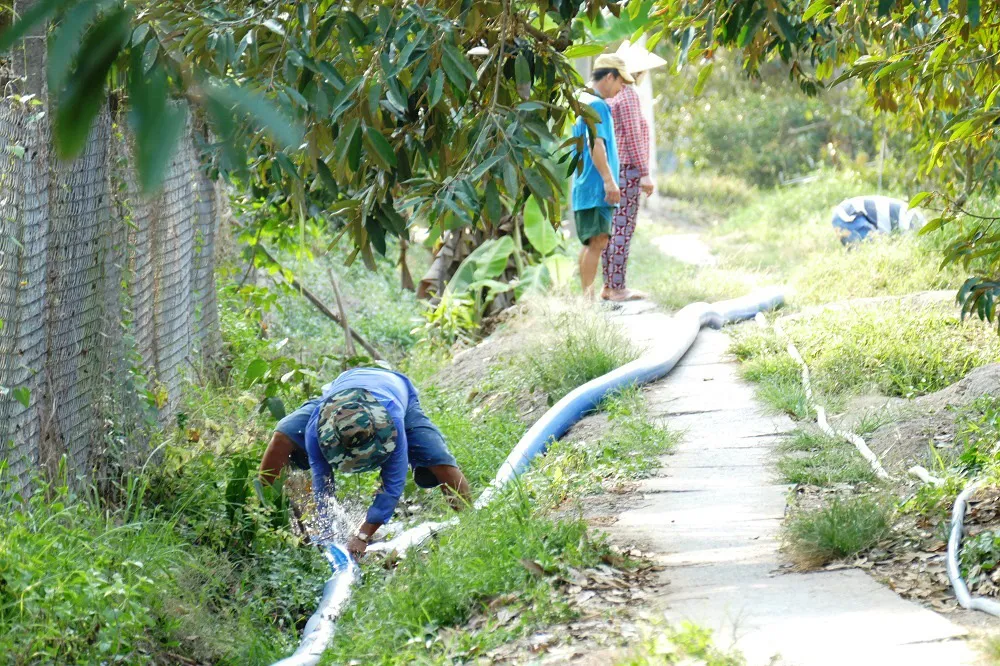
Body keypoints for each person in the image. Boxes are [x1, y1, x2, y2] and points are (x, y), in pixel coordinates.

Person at [259, 366, 471, 559]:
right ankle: (265, 517)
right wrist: (327, 531)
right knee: (283, 435)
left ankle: (472, 521)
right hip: (343, 391)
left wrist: (362, 535)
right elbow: (322, 480)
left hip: (394, 393)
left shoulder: (394, 421)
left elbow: (393, 484)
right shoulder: (317, 429)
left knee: (439, 463)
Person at [572, 54, 627, 299]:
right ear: (609, 76)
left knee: (592, 242)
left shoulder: (582, 100)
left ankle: (586, 298)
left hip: (584, 186)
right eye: (620, 82)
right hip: (596, 187)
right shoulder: (598, 105)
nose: (621, 88)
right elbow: (597, 145)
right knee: (598, 242)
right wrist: (609, 180)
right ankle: (587, 301)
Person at [602, 67, 654, 302]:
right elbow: (633, 138)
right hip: (627, 170)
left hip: (614, 168)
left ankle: (609, 285)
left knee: (612, 229)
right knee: (623, 228)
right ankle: (618, 288)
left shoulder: (612, 96)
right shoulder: (629, 95)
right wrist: (644, 173)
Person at [831, 195, 927, 245]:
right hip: (848, 215)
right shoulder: (915, 220)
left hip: (845, 213)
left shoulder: (914, 215)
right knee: (869, 249)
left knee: (861, 251)